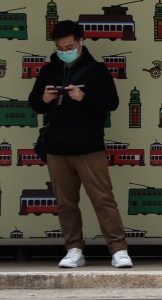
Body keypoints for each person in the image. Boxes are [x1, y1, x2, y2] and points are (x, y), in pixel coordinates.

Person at [28, 20, 132, 268]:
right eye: (60, 48)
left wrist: (84, 96)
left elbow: (112, 102)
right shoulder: (48, 70)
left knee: (103, 199)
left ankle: (118, 249)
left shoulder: (97, 70)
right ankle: (74, 249)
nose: (64, 51)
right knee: (65, 203)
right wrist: (44, 98)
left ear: (81, 42)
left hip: (89, 146)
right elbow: (35, 103)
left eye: (69, 47)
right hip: (57, 147)